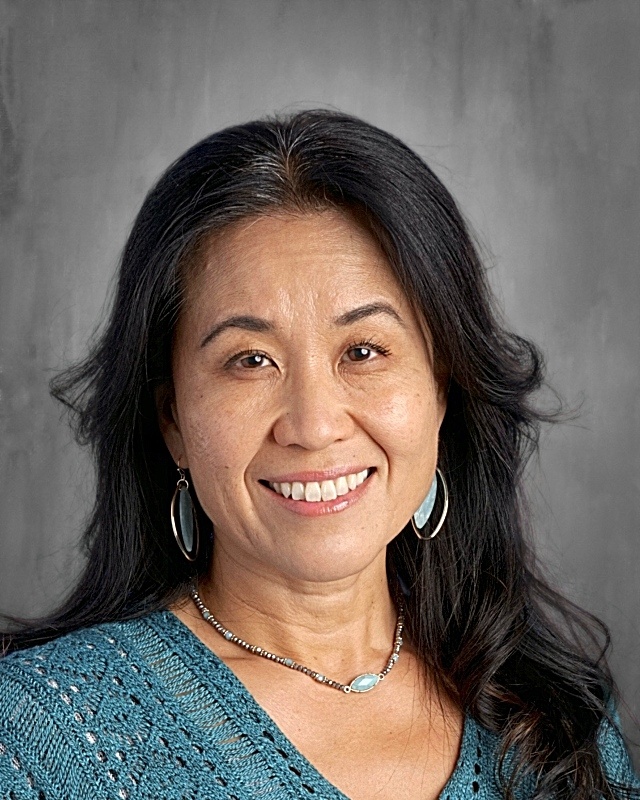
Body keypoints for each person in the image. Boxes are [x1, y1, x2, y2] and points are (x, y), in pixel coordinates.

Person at [0, 110, 637, 800]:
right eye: (250, 360)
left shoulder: (557, 724)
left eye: (363, 352)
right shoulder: (42, 737)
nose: (312, 425)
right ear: (172, 418)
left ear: (441, 391)